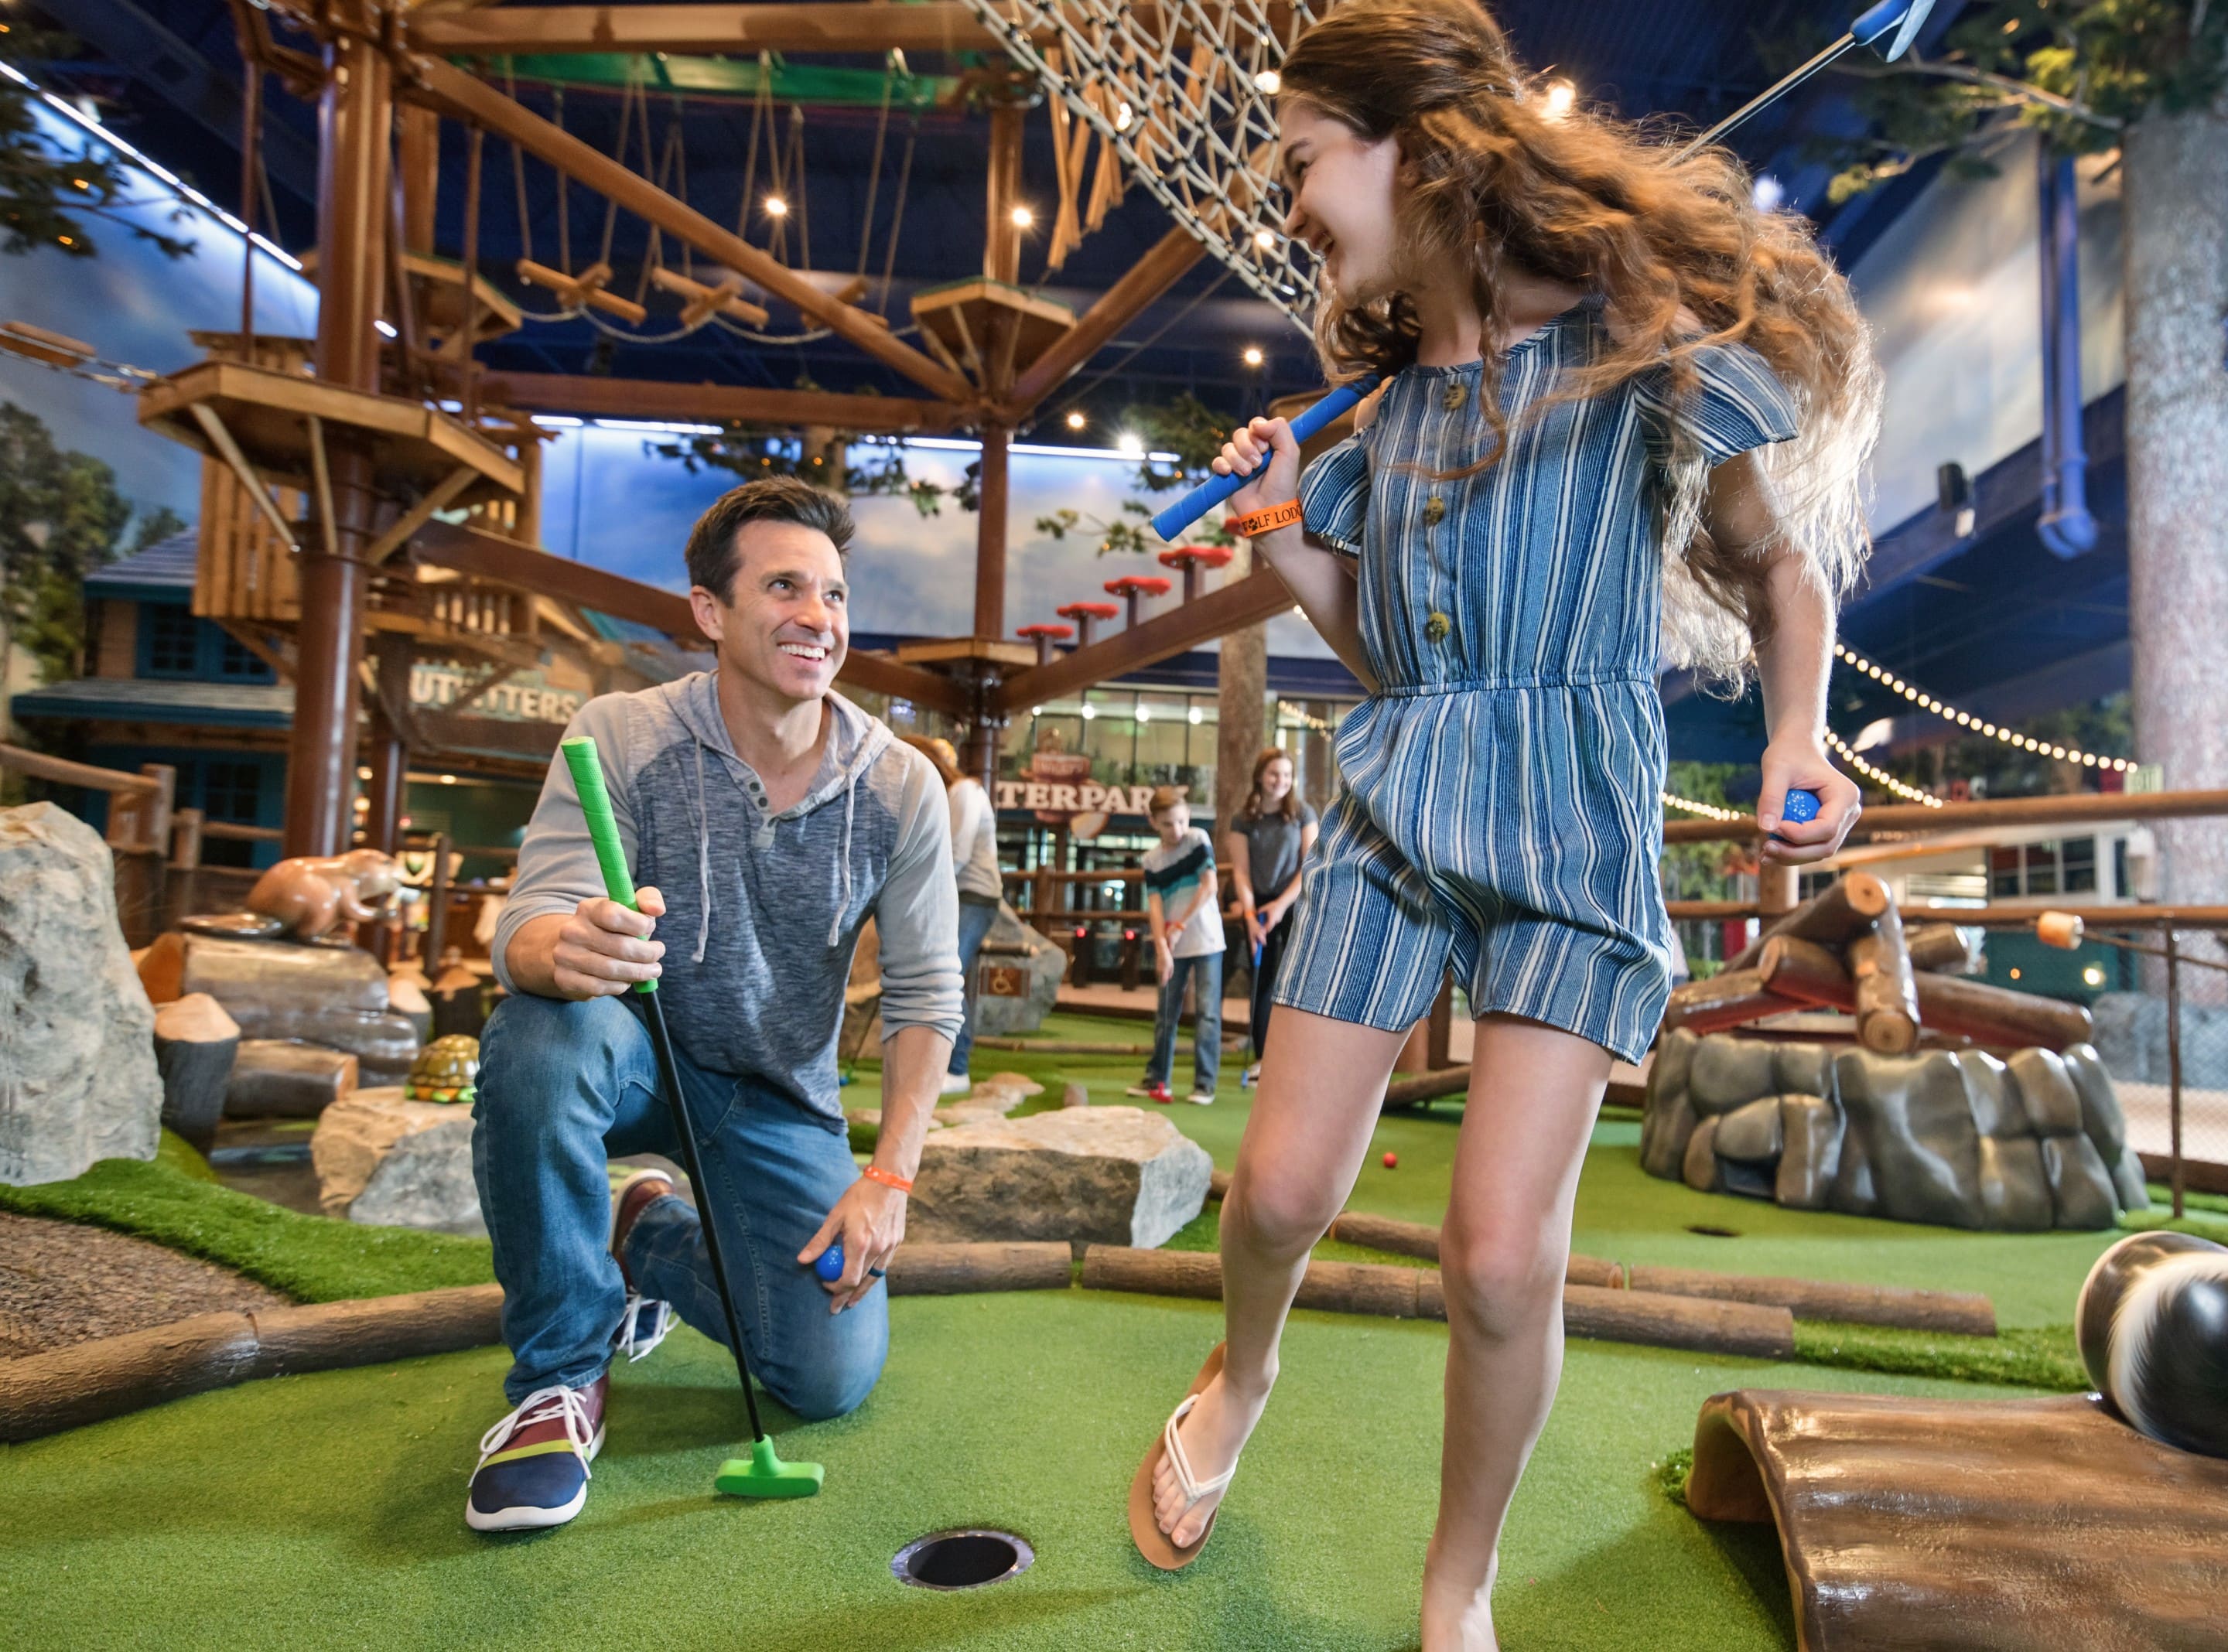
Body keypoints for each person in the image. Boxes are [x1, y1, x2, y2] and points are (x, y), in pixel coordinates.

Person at [1127, 3, 1874, 1644]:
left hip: (1573, 822)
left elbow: (1775, 571)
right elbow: (1391, 657)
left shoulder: (1638, 357)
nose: (1295, 198)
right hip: (1401, 804)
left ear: (1425, 149)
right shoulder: (1379, 421)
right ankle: (1238, 1374)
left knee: (1496, 1260)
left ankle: (1456, 1585)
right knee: (1273, 1197)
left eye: (1311, 158)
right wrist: (1287, 537)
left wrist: (1801, 732)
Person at [465, 477, 963, 1534]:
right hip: (628, 1054)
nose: (818, 618)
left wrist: (888, 1175)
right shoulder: (622, 735)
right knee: (541, 1033)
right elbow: (527, 923)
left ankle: (644, 1236)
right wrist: (567, 948)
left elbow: (927, 999)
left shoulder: (902, 785)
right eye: (784, 586)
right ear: (710, 611)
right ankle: (557, 1382)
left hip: (776, 1096)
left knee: (826, 1375)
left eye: (832, 594)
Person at [902, 736, 1003, 1095]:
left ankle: (957, 1067)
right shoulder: (942, 797)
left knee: (948, 974)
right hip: (956, 896)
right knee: (943, 974)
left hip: (974, 896)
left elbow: (956, 854)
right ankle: (942, 1063)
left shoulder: (963, 792)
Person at [1223, 748, 1321, 1086]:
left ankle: (1292, 1056)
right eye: (1273, 774)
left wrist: (1280, 907)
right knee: (1262, 982)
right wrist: (1251, 916)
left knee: (1292, 980)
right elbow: (1241, 872)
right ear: (1260, 777)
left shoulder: (1303, 813)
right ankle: (1264, 1057)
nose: (1280, 781)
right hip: (1257, 906)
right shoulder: (1243, 818)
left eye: (1286, 775)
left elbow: (1309, 865)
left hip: (1294, 902)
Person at [1126, 785, 1225, 1105]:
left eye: (1182, 821)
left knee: (1208, 1013)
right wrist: (1161, 948)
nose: (1177, 830)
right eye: (1168, 824)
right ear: (1154, 822)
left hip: (1206, 939)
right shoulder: (1152, 860)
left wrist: (1180, 925)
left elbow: (1209, 886)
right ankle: (1158, 1079)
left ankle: (1205, 1084)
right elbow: (1155, 906)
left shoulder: (1198, 840)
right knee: (1166, 1013)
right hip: (1173, 945)